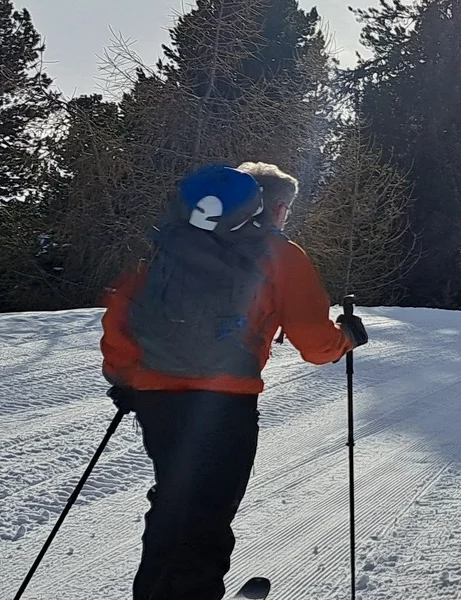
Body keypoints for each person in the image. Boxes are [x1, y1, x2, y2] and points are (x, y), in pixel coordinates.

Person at [101, 163, 367, 600]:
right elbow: (315, 344)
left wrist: (126, 376)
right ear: (273, 207)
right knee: (206, 515)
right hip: (225, 403)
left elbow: (123, 311)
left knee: (173, 503)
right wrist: (347, 339)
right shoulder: (279, 254)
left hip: (155, 399)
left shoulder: (170, 241)